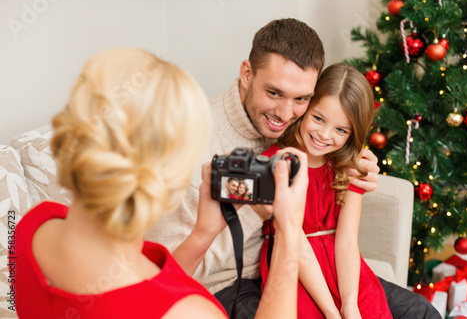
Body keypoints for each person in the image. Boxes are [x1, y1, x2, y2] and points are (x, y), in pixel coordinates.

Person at [146, 18, 440, 319]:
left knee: (421, 312)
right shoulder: (190, 148)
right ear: (247, 73)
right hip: (232, 283)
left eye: (301, 99)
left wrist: (361, 163)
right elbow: (163, 274)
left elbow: (336, 127)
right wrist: (257, 208)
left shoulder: (303, 128)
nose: (286, 114)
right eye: (273, 93)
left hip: (310, 266)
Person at [12, 48, 310, 318]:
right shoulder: (192, 312)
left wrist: (203, 233)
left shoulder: (34, 227)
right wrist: (288, 228)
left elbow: (152, 287)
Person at [260, 63, 391, 319]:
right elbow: (296, 244)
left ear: (353, 134)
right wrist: (332, 312)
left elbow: (347, 239)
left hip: (344, 267)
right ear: (305, 109)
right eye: (318, 118)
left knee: (369, 309)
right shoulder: (278, 162)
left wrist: (349, 304)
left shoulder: (349, 167)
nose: (324, 134)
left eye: (341, 130)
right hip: (294, 262)